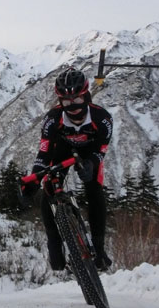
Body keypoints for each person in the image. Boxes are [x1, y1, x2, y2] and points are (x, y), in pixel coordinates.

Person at [21, 67, 113, 271]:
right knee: (49, 187)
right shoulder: (52, 119)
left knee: (94, 189)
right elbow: (44, 153)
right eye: (66, 102)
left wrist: (91, 164)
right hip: (61, 150)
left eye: (77, 100)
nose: (72, 106)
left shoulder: (102, 118)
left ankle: (98, 248)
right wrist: (33, 180)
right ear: (59, 101)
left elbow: (101, 150)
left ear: (86, 96)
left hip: (90, 153)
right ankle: (54, 244)